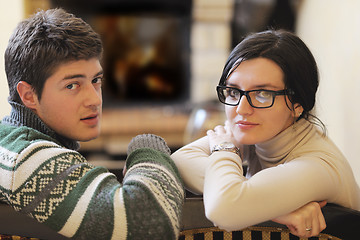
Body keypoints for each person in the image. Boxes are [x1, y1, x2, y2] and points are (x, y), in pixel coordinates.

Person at [0, 8, 184, 240]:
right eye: (72, 85)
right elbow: (148, 225)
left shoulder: (10, 141)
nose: (95, 100)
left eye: (95, 80)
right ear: (28, 95)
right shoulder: (24, 159)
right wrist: (146, 148)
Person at [171, 29, 360, 238]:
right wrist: (268, 206)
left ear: (298, 105)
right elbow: (178, 161)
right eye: (234, 91)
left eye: (262, 94)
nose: (241, 109)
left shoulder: (317, 165)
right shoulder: (258, 129)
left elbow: (223, 209)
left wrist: (226, 151)